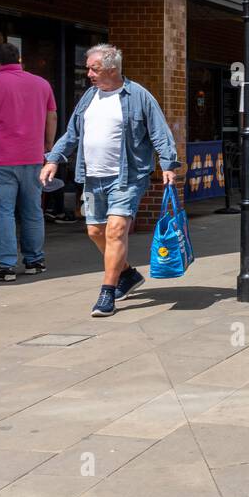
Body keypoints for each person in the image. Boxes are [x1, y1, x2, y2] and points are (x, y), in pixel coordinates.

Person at [40, 44, 178, 318]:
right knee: (95, 232)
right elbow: (72, 133)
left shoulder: (138, 96)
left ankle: (107, 292)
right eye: (88, 68)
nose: (89, 73)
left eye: (94, 68)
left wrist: (168, 164)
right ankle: (126, 273)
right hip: (92, 177)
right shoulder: (89, 97)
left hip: (127, 177)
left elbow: (159, 132)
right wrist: (54, 158)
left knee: (115, 231)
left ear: (112, 69)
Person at [0, 43, 57, 282]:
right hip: (33, 158)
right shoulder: (41, 84)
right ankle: (35, 261)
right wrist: (48, 147)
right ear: (19, 60)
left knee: (2, 213)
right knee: (33, 211)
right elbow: (52, 116)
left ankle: (6, 265)